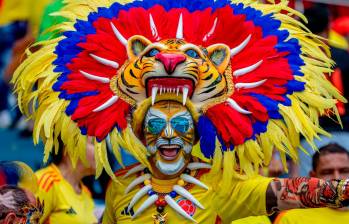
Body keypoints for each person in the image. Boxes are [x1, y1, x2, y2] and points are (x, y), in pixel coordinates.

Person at [12, 0, 349, 223]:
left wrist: (339, 190)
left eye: (180, 125)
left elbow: (296, 190)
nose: (169, 135)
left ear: (195, 133)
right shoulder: (121, 186)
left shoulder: (222, 185)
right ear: (143, 134)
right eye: (157, 124)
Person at [274, 143, 349, 224]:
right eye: (327, 172)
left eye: (344, 171)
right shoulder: (291, 218)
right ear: (313, 176)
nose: (337, 178)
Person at [35, 137, 98, 224]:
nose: (100, 150)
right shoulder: (46, 182)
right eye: (93, 143)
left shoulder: (86, 193)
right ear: (70, 147)